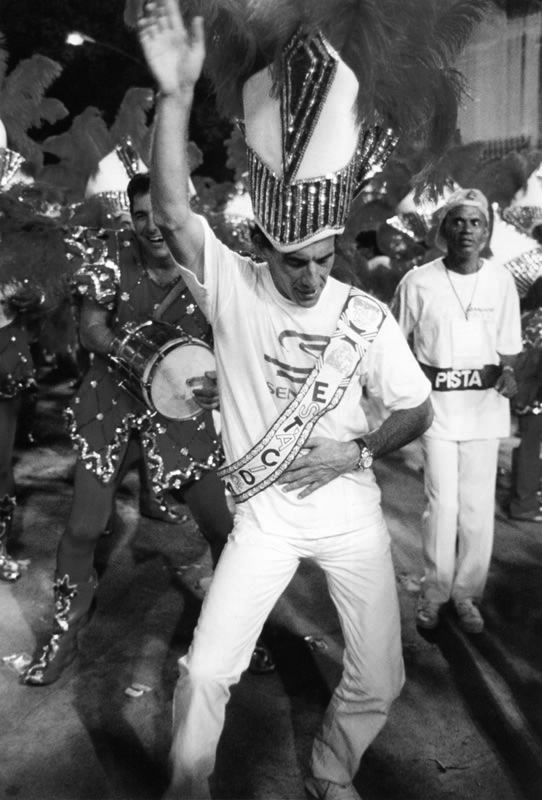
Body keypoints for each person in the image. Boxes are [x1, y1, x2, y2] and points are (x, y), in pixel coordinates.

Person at [137, 3, 434, 799]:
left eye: (324, 259)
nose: (310, 277)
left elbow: (418, 408)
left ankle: (331, 772)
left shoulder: (366, 317)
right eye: (293, 261)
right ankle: (187, 788)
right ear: (263, 244)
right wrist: (176, 94)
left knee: (382, 675)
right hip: (264, 521)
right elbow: (172, 211)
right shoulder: (232, 287)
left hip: (351, 517)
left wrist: (357, 449)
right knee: (206, 672)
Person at [23, 172, 232, 686]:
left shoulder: (216, 265)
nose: (151, 226)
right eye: (140, 216)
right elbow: (91, 329)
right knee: (82, 527)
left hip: (181, 413)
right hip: (110, 407)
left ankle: (237, 632)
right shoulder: (110, 257)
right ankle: (64, 634)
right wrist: (137, 356)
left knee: (222, 528)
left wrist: (218, 382)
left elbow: (236, 341)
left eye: (160, 214)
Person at [393, 188, 522, 634]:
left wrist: (509, 374)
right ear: (443, 229)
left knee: (476, 508)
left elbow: (509, 346)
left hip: (485, 411)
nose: (467, 230)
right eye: (458, 221)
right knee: (442, 505)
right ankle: (434, 593)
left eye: (476, 222)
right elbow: (393, 342)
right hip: (438, 413)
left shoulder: (501, 281)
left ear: (487, 231)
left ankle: (467, 594)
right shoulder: (417, 282)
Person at [508, 276, 542, 522]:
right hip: (536, 393)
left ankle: (524, 496)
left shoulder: (528, 317)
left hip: (525, 391)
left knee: (529, 446)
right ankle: (524, 503)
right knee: (531, 448)